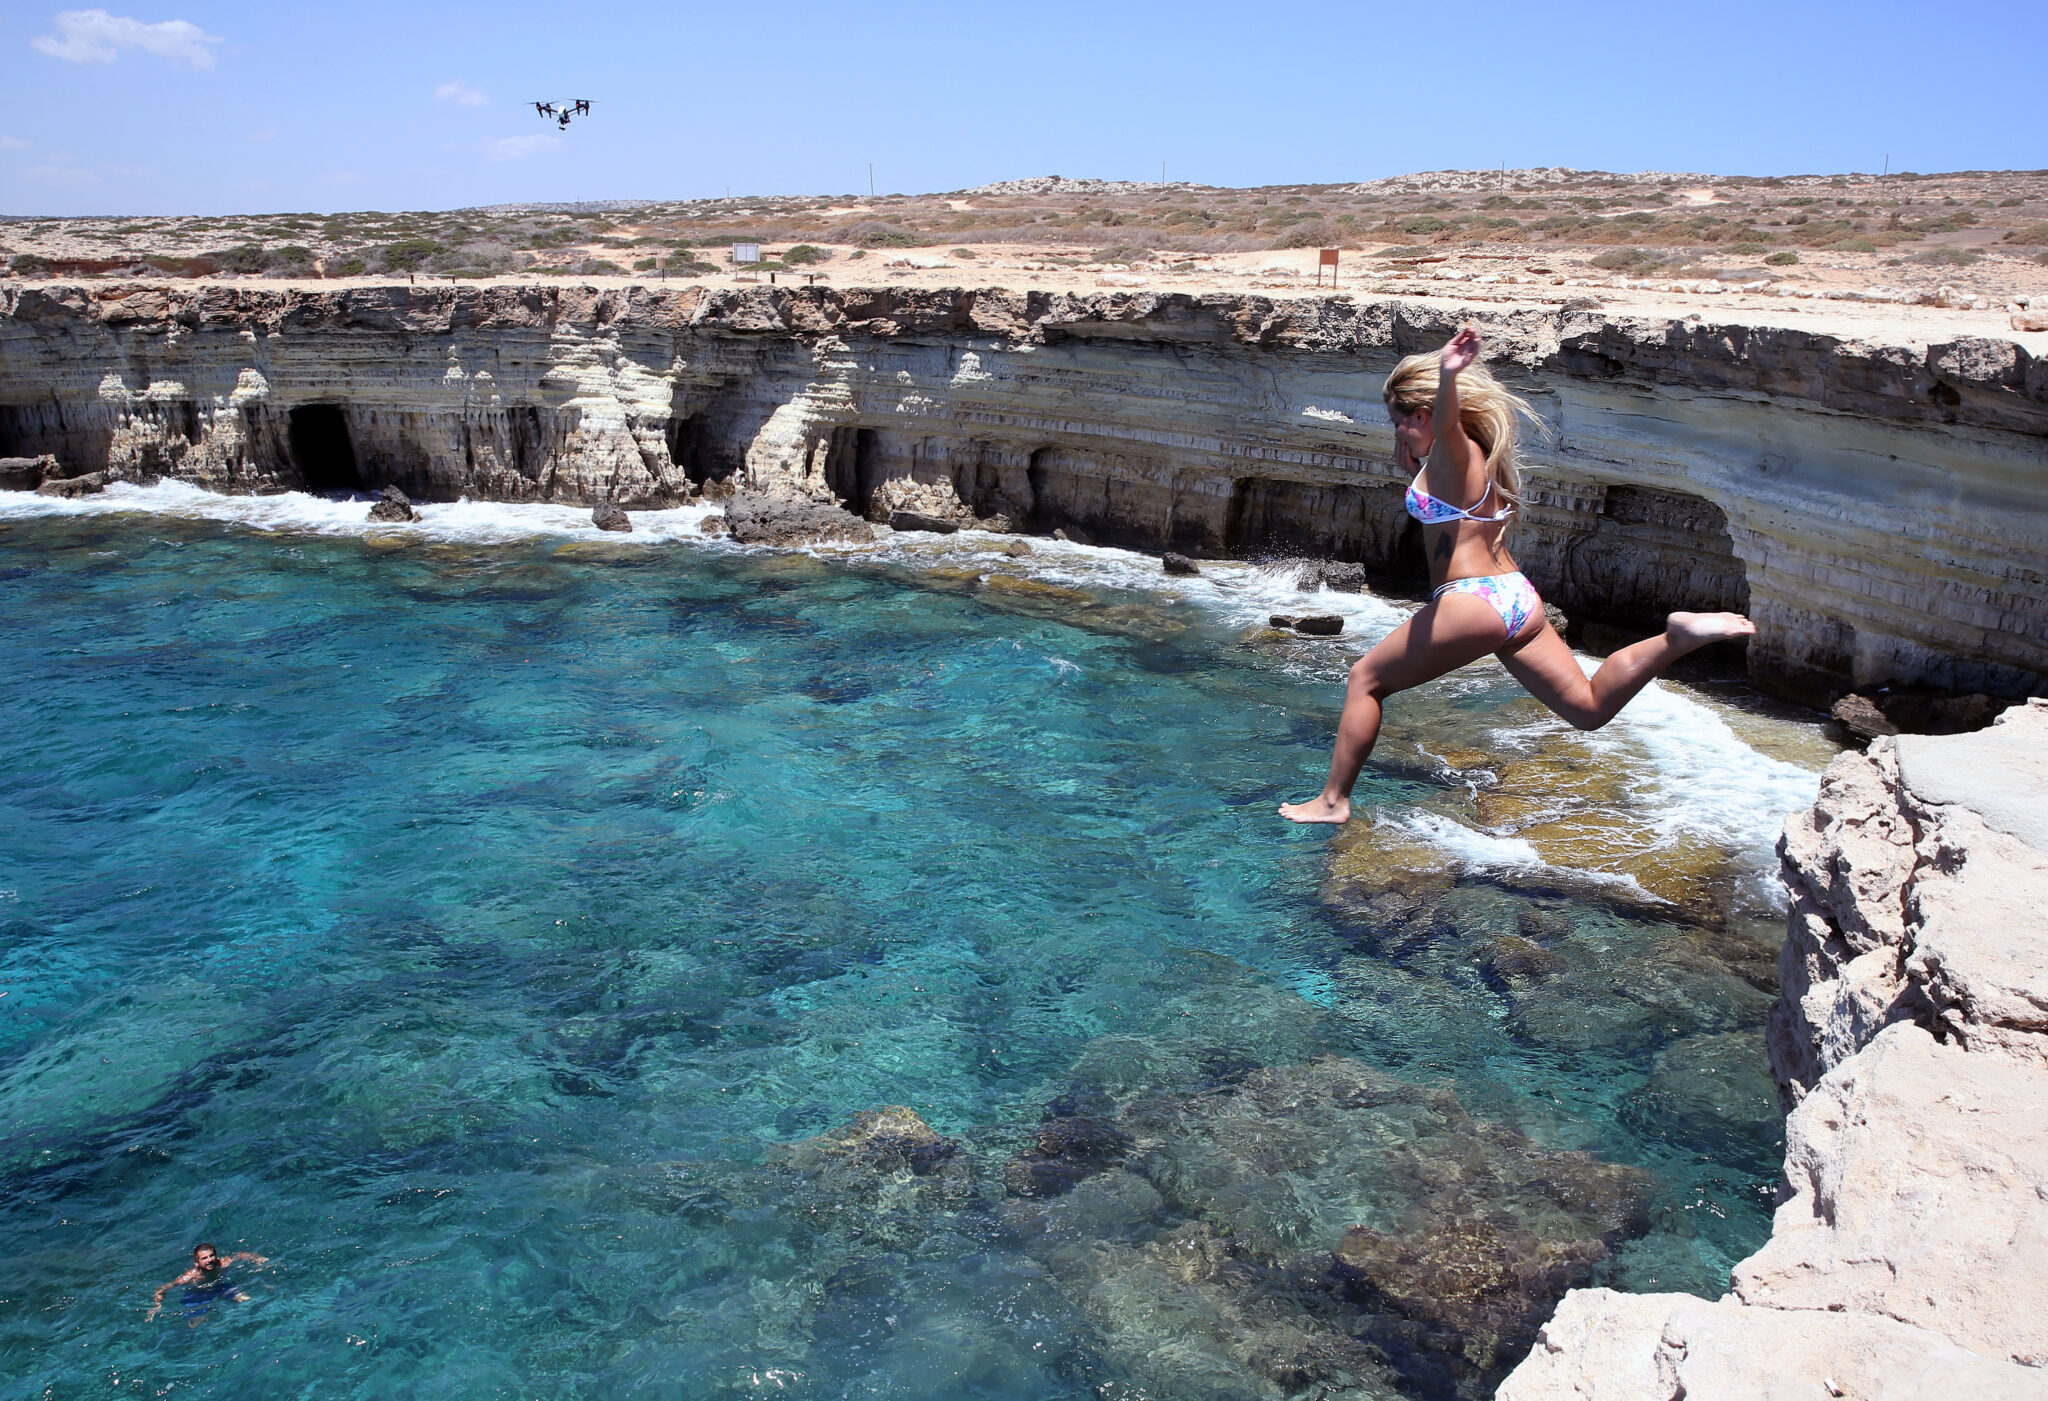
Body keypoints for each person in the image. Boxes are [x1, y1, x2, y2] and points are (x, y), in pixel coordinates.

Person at [1279, 325, 1754, 824]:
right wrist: (1412, 470)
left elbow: (1449, 427)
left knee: (1365, 680)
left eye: (1398, 422)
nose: (1395, 431)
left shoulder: (1453, 451)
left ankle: (1333, 801)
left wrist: (1447, 375)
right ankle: (1675, 639)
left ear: (1421, 416)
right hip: (1515, 598)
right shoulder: (1472, 467)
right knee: (1587, 709)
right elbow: (1449, 513)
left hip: (1472, 600)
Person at [146, 1243, 269, 1322]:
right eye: (204, 1258)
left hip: (220, 1287)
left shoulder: (223, 1264)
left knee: (247, 1301)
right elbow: (161, 1288)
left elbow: (241, 1255)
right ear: (196, 1262)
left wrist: (258, 1259)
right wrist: (156, 1306)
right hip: (198, 1295)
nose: (209, 1260)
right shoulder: (189, 1277)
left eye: (211, 1256)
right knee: (196, 1323)